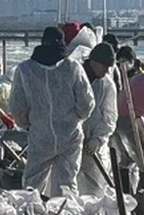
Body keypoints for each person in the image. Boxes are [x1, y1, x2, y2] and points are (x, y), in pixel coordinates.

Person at [9, 27, 95, 198]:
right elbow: (86, 102)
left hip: (40, 135)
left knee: (32, 184)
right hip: (69, 134)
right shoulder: (72, 67)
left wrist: (28, 124)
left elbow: (17, 106)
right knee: (67, 183)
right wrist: (77, 117)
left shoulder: (25, 69)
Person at [78, 43, 119, 197]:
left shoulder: (106, 85)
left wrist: (98, 139)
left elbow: (110, 116)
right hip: (69, 142)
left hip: (92, 147)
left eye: (110, 67)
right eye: (105, 66)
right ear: (94, 62)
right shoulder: (74, 76)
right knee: (67, 184)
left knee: (95, 187)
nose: (107, 71)